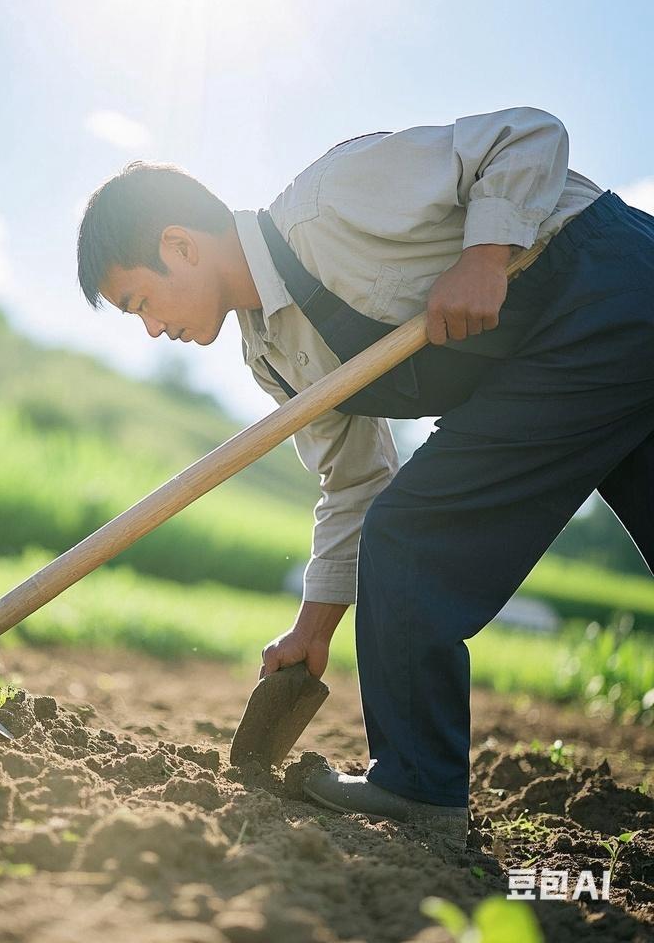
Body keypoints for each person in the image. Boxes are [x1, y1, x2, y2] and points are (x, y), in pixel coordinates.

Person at [75, 108, 654, 848]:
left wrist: (482, 256)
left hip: (602, 279)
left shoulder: (332, 201)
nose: (152, 328)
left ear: (179, 246)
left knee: (414, 535)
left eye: (140, 303)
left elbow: (526, 135)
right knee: (402, 520)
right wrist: (310, 632)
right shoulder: (274, 356)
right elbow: (354, 482)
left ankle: (416, 783)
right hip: (573, 347)